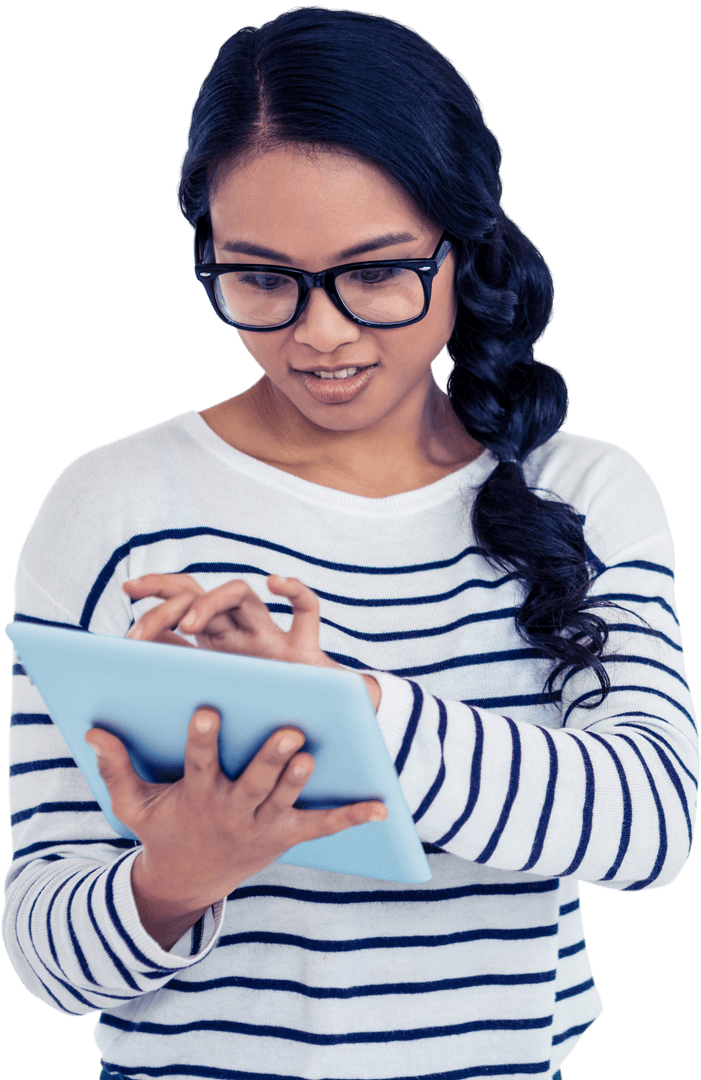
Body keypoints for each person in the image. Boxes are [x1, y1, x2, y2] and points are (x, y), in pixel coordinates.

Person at [2, 6, 698, 1080]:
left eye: (374, 272)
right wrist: (178, 875)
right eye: (262, 278)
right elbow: (42, 959)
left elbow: (646, 832)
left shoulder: (582, 491)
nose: (319, 335)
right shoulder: (113, 506)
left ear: (463, 246)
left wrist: (346, 709)